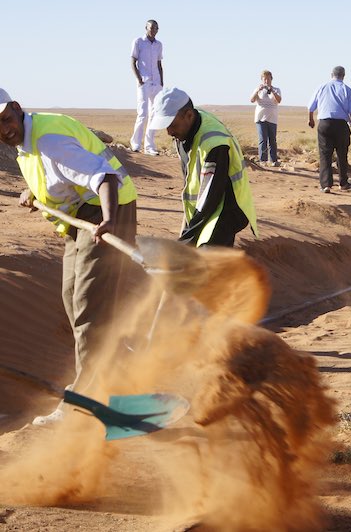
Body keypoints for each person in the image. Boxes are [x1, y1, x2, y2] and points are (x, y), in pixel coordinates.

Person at [0, 88, 138, 424]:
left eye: (5, 119)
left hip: (105, 210)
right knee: (73, 298)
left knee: (89, 305)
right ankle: (120, 376)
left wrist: (107, 218)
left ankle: (84, 403)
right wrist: (32, 192)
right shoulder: (25, 144)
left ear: (17, 109)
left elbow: (103, 176)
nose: (4, 129)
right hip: (83, 217)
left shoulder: (49, 140)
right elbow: (57, 177)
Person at [148, 87, 259, 247]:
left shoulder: (214, 145)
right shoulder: (185, 129)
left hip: (229, 208)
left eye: (172, 125)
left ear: (189, 115)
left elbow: (210, 198)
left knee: (205, 254)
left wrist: (184, 244)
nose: (168, 132)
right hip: (207, 205)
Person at [308, 66, 351, 193]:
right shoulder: (347, 90)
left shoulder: (321, 87)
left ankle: (326, 184)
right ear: (344, 75)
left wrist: (311, 119)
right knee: (342, 154)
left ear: (331, 74)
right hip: (341, 125)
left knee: (325, 154)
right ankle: (343, 183)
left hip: (325, 123)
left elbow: (311, 106)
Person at [130, 19, 164, 156]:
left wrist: (161, 82)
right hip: (144, 82)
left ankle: (149, 146)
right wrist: (139, 79)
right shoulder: (138, 42)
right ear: (146, 28)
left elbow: (159, 64)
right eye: (151, 28)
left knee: (154, 115)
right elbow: (133, 61)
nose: (153, 30)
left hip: (156, 83)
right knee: (142, 114)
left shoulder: (159, 45)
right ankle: (136, 144)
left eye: (156, 28)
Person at [250, 70, 282, 167]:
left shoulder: (276, 89)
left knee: (272, 140)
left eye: (268, 79)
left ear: (271, 79)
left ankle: (273, 160)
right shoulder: (258, 89)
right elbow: (252, 100)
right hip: (260, 118)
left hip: (272, 118)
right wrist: (257, 91)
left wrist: (271, 90)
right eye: (264, 79)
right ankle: (262, 160)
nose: (266, 81)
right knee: (262, 139)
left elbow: (279, 100)